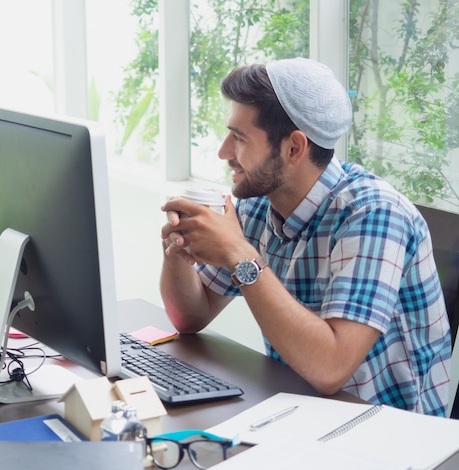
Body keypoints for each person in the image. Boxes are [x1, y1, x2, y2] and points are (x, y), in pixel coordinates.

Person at [160, 57, 451, 416]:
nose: (224, 153)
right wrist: (177, 246)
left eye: (238, 138)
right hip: (303, 412)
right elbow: (189, 317)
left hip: (390, 433)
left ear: (294, 148)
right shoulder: (256, 205)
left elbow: (330, 369)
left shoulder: (374, 215)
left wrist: (240, 256)